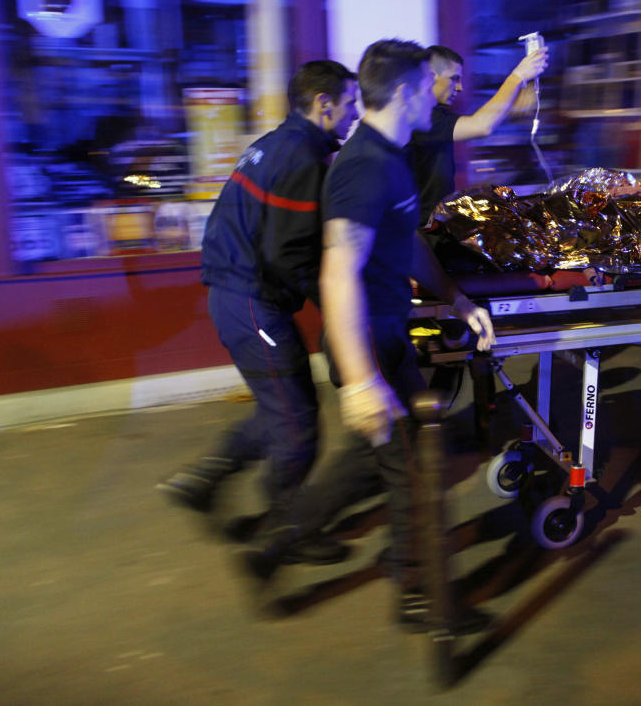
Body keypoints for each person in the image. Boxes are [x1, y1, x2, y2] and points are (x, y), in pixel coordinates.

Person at [238, 39, 496, 634]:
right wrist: (359, 380)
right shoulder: (363, 166)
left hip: (383, 333)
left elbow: (406, 242)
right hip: (368, 343)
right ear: (405, 93)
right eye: (430, 86)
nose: (440, 98)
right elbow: (338, 269)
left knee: (366, 464)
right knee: (415, 470)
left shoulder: (390, 159)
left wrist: (456, 300)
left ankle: (272, 550)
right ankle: (419, 595)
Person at [158, 61, 358, 564]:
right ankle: (286, 533)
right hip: (252, 302)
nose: (354, 113)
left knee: (282, 408)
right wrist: (341, 305)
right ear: (324, 104)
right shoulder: (303, 157)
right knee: (297, 424)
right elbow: (292, 254)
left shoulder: (278, 143)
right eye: (350, 102)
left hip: (237, 297)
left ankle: (203, 481)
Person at [409, 44, 548, 225]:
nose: (459, 88)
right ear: (431, 77)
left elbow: (484, 120)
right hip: (420, 230)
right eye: (454, 79)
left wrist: (513, 98)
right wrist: (517, 77)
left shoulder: (436, 115)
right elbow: (481, 125)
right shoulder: (425, 119)